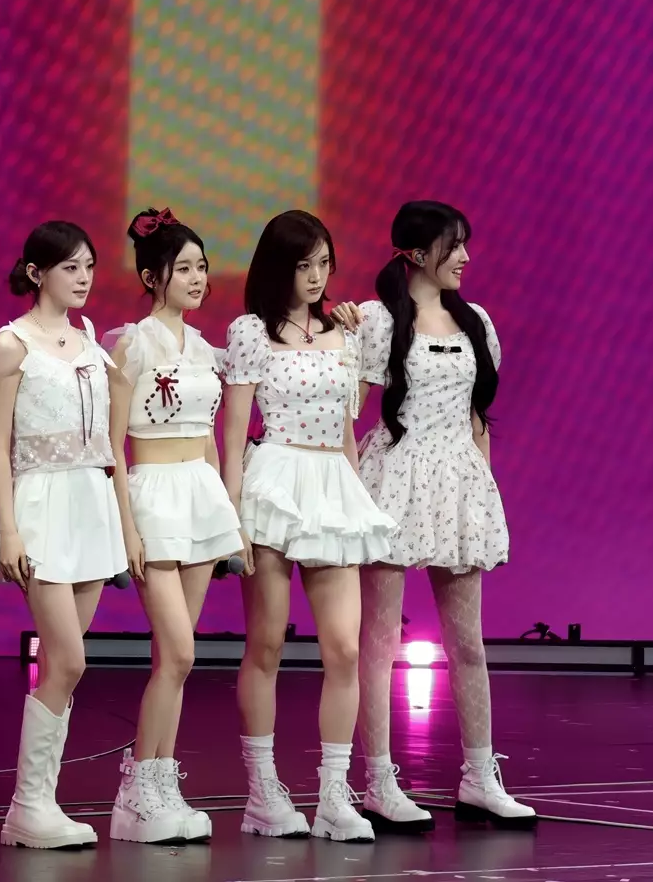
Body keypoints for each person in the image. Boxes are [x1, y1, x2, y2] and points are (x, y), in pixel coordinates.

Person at [353, 200, 536, 831]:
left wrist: (483, 490)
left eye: (464, 244)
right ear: (414, 252)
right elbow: (348, 412)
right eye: (452, 245)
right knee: (380, 642)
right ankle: (378, 781)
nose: (464, 256)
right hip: (394, 480)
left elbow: (479, 417)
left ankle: (480, 778)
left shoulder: (476, 321)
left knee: (468, 644)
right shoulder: (377, 321)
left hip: (458, 483)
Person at [221, 210, 394, 844]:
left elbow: (347, 426)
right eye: (304, 265)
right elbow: (233, 431)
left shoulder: (344, 332)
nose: (317, 276)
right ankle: (263, 792)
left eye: (324, 263)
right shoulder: (251, 332)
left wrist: (356, 494)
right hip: (273, 483)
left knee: (344, 648)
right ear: (279, 268)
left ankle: (332, 795)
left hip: (331, 484)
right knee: (266, 644)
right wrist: (232, 516)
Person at [100, 208, 242, 844]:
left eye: (201, 267)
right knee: (180, 651)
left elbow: (209, 437)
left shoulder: (204, 349)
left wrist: (226, 510)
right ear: (152, 277)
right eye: (184, 268)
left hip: (199, 496)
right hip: (153, 497)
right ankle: (136, 788)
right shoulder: (133, 344)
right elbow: (111, 441)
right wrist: (126, 527)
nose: (197, 278)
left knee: (174, 662)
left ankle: (158, 786)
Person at [0, 221, 127, 849]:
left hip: (90, 504)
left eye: (89, 266)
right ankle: (29, 805)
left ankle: (36, 806)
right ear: (36, 272)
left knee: (63, 669)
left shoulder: (90, 338)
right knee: (67, 659)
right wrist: (10, 528)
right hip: (40, 504)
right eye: (71, 267)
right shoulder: (11, 344)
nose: (84, 278)